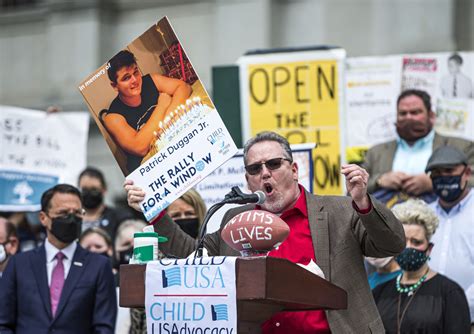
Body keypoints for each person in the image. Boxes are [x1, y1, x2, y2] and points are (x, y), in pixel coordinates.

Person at [125, 131, 405, 333]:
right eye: (255, 168)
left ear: (294, 169)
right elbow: (192, 256)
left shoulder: (341, 210)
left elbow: (392, 244)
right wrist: (155, 210)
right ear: (247, 180)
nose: (265, 173)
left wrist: (363, 203)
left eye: (273, 164)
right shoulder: (235, 219)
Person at [0, 184, 117, 333]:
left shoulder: (99, 266)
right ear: (43, 218)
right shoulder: (19, 265)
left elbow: (104, 327)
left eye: (77, 213)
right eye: (63, 213)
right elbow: (3, 323)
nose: (71, 218)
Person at [373, 198, 470, 333]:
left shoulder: (449, 293)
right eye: (403, 241)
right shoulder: (379, 293)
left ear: (429, 248)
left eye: (416, 242)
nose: (408, 247)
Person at [363, 89, 474, 200]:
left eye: (415, 112)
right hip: (387, 216)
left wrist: (434, 183)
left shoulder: (461, 147)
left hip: (444, 216)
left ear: (431, 116)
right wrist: (379, 180)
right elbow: (353, 190)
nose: (408, 117)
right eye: (403, 113)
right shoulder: (375, 153)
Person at [104, 50, 192, 174]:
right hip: (151, 168)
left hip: (172, 144)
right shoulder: (112, 117)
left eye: (136, 72)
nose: (135, 80)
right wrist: (162, 105)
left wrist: (167, 121)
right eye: (126, 78)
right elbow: (140, 147)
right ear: (115, 86)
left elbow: (183, 87)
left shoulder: (151, 80)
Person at [425, 145, 474, 323]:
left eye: (449, 170)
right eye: (436, 173)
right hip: (428, 320)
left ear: (467, 173)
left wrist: (458, 307)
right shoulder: (424, 215)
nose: (443, 177)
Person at [78, 166, 133, 244]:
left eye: (94, 190)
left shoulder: (120, 217)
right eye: (84, 190)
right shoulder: (73, 219)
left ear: (104, 190)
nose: (89, 194)